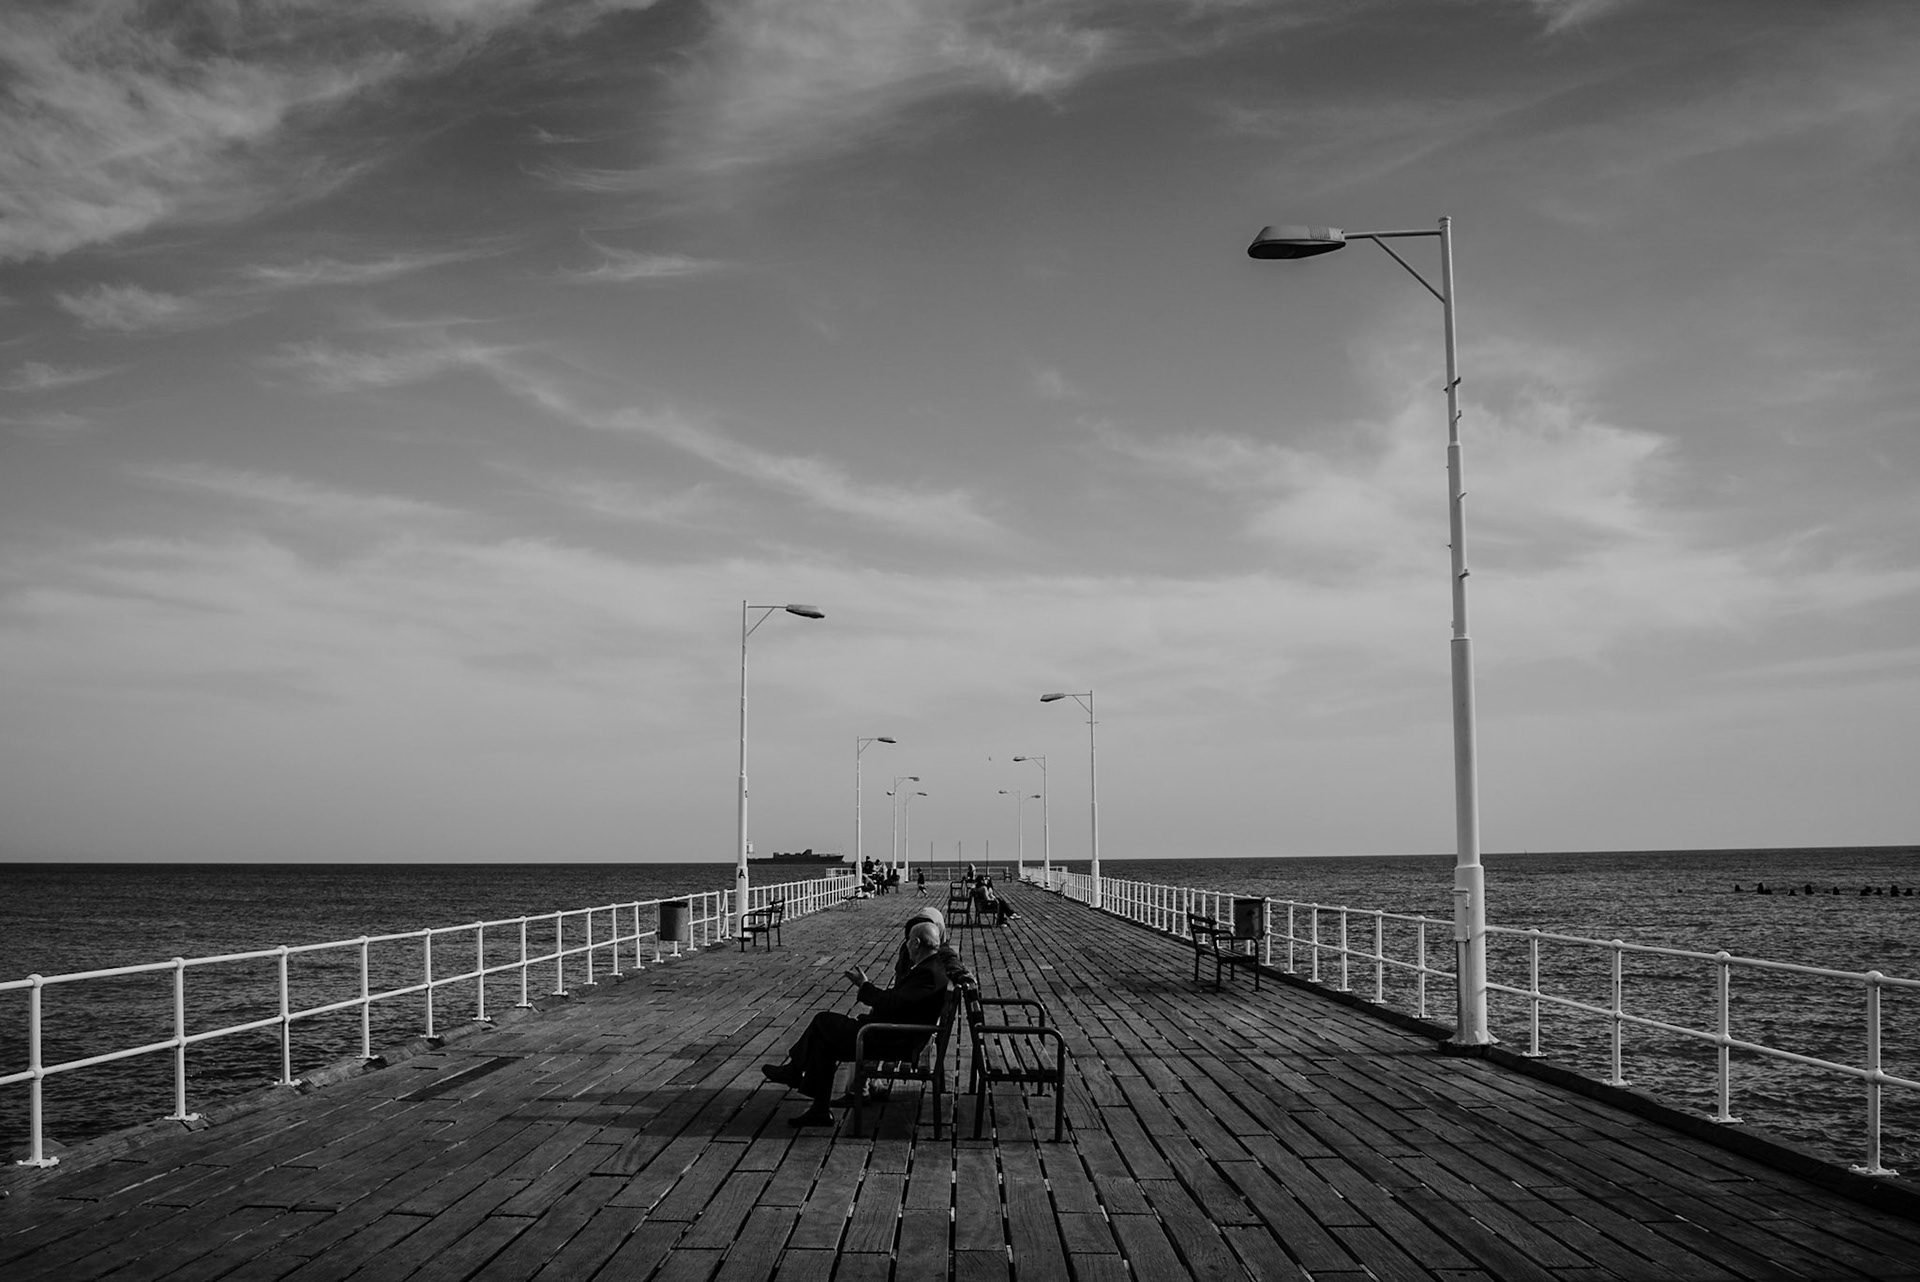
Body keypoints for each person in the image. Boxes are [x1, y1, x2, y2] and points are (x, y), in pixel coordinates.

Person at [759, 921, 953, 1126]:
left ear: (915, 943)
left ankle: (795, 1071)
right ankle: (818, 1109)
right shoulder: (932, 967)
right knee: (823, 1043)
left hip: (890, 1038)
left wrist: (864, 986)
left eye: (907, 942)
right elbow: (899, 1002)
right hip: (892, 1033)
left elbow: (892, 1004)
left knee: (822, 1021)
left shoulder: (928, 973)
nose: (906, 947)